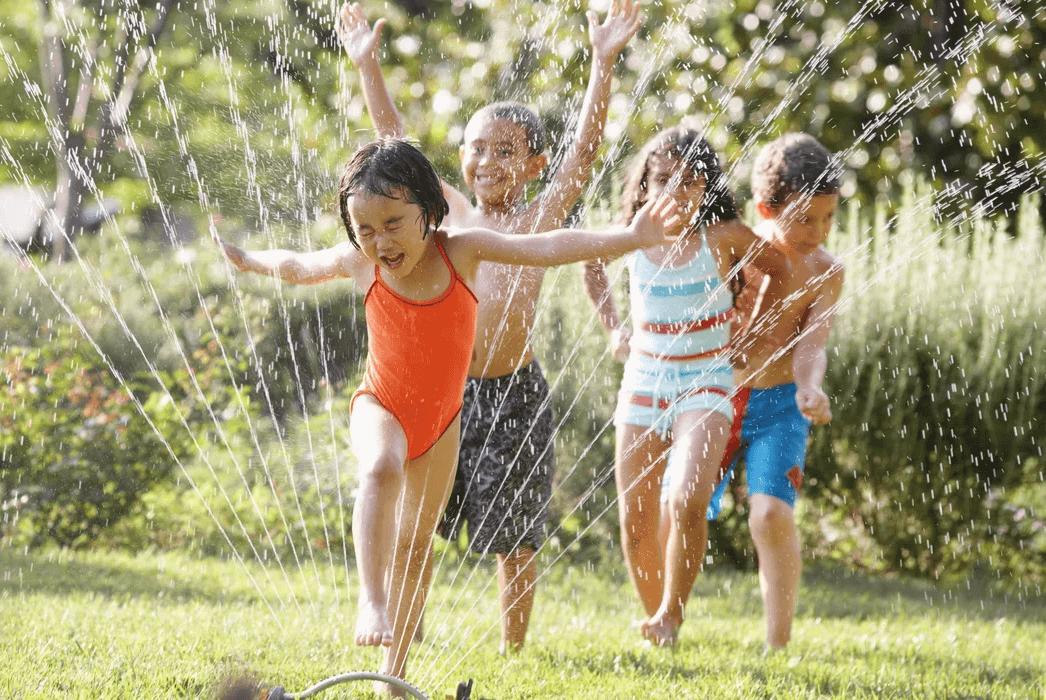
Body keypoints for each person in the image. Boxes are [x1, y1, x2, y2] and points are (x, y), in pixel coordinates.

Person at [218, 138, 678, 691]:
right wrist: (249, 260)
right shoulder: (361, 263)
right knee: (381, 468)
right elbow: (296, 265)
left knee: (416, 545)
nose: (380, 242)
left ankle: (394, 672)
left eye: (392, 223)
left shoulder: (461, 249)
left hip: (441, 423)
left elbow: (549, 245)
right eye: (365, 229)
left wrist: (629, 237)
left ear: (429, 209)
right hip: (380, 405)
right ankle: (371, 600)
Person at [338, 0, 645, 654]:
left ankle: (512, 647)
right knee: (413, 526)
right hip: (436, 395)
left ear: (533, 163)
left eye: (505, 150)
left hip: (512, 390)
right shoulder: (443, 216)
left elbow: (584, 153)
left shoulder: (537, 217)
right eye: (476, 148)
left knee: (516, 529)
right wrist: (368, 65)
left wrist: (602, 61)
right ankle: (402, 629)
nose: (486, 161)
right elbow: (392, 142)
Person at [581, 126, 790, 647]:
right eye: (663, 180)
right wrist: (613, 327)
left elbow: (781, 270)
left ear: (707, 187)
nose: (676, 193)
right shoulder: (631, 235)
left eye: (690, 182)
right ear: (645, 184)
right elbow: (589, 261)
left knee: (687, 500)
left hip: (706, 382)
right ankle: (658, 624)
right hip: (645, 380)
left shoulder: (724, 238)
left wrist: (755, 332)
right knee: (635, 516)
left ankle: (673, 612)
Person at [708, 133, 844, 650]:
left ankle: (777, 643)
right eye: (806, 219)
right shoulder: (739, 251)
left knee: (770, 514)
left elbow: (813, 342)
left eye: (828, 218)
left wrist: (810, 387)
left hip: (781, 404)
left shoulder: (826, 271)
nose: (819, 231)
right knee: (685, 505)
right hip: (718, 397)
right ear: (767, 207)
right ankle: (666, 616)